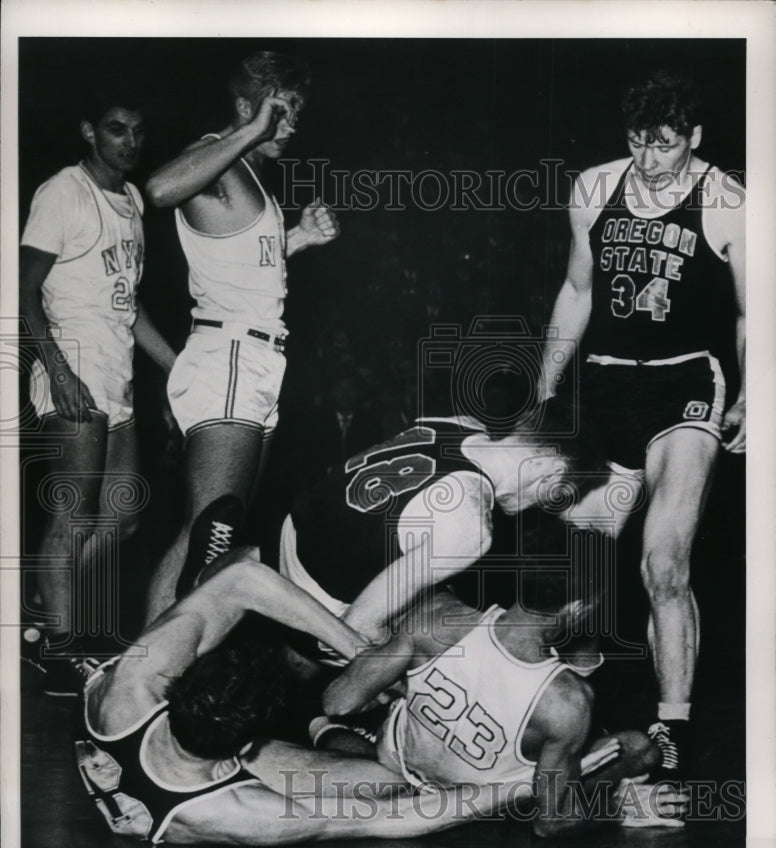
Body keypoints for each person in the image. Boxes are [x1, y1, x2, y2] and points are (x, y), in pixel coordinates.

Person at [540, 69, 745, 780]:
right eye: (638, 143)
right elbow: (576, 291)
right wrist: (544, 390)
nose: (650, 160)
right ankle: (551, 705)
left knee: (663, 563)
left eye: (665, 146)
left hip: (683, 387)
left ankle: (675, 727)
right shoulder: (596, 187)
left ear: (693, 137)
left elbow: (755, 314)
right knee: (571, 573)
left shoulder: (726, 200)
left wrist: (754, 393)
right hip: (603, 386)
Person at [75, 548, 501, 845]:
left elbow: (244, 578)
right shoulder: (234, 812)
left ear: (174, 688)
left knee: (247, 558)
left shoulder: (132, 683)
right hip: (193, 797)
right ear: (245, 746)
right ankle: (323, 725)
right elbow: (388, 821)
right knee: (393, 786)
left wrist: (362, 655)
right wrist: (519, 787)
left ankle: (325, 724)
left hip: (161, 756)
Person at [314, 521, 687, 836]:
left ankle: (330, 737)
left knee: (349, 717)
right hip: (474, 809)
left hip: (395, 757)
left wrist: (405, 678)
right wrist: (618, 809)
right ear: (578, 607)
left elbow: (338, 702)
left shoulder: (436, 617)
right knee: (639, 747)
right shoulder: (568, 701)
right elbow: (550, 822)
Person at [143, 50, 340, 622]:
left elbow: (244, 270)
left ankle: (144, 672)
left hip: (256, 360)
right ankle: (147, 678)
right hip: (228, 355)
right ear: (245, 105)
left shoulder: (251, 179)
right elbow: (159, 189)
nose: (290, 128)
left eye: (295, 116)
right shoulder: (217, 159)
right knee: (209, 529)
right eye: (281, 113)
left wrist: (298, 240)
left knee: (211, 538)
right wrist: (249, 131)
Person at [20, 81, 177, 695]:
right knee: (71, 520)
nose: (130, 142)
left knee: (125, 518)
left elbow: (129, 306)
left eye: (138, 131)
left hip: (117, 374)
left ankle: (40, 606)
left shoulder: (133, 199)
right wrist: (57, 370)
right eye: (117, 129)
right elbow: (23, 288)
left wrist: (177, 369)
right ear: (90, 131)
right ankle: (58, 650)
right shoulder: (63, 191)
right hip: (74, 368)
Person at [279, 403, 602, 645]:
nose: (546, 506)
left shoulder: (455, 422)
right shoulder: (470, 525)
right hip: (310, 604)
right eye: (559, 495)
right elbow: (357, 627)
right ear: (552, 472)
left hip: (286, 533)